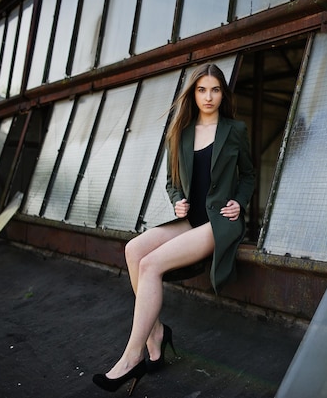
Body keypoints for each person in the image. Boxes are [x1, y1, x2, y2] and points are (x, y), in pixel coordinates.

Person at [93, 63, 255, 395]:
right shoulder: (180, 132)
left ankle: (131, 357)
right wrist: (178, 200)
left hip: (218, 222)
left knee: (150, 265)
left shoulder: (235, 130)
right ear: (193, 94)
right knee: (133, 250)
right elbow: (172, 183)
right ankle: (157, 335)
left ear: (222, 94)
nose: (208, 97)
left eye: (215, 90)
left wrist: (240, 201)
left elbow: (249, 175)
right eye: (201, 90)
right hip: (189, 219)